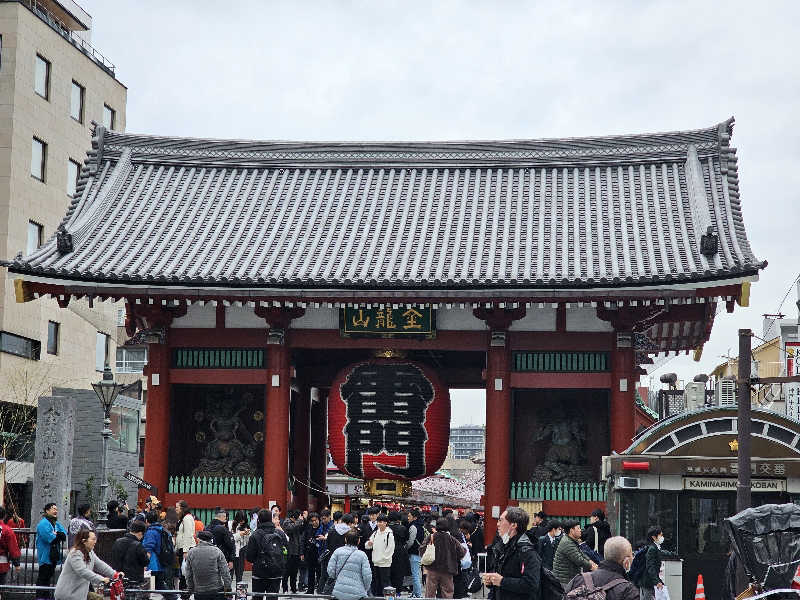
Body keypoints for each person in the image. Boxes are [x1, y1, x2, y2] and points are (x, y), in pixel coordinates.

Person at [480, 508, 540, 600]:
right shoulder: (501, 546)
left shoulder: (527, 551)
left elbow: (531, 584)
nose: (497, 524)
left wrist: (502, 581)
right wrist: (491, 581)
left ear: (513, 525)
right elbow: (499, 576)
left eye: (501, 520)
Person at [565, 536, 638, 600]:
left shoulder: (578, 580)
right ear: (626, 562)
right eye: (631, 555)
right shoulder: (628, 591)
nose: (633, 557)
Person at [54, 529, 118, 600]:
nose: (95, 542)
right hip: (67, 595)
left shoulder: (90, 553)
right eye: (93, 539)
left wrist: (115, 574)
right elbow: (83, 571)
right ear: (84, 541)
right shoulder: (75, 553)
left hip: (79, 594)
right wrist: (101, 579)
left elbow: (100, 565)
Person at [420, 517, 466, 599]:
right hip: (447, 570)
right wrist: (453, 558)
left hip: (432, 569)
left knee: (430, 593)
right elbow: (462, 552)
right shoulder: (451, 539)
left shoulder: (431, 537)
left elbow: (421, 549)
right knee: (447, 593)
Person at [245, 508, 288, 595]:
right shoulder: (279, 533)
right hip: (276, 572)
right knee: (272, 597)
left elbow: (249, 557)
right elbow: (286, 551)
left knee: (257, 597)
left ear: (258, 519)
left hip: (259, 573)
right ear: (271, 518)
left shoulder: (255, 535)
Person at [184, 530, 232, 600]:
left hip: (199, 592)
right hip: (216, 590)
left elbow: (188, 574)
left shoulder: (191, 552)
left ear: (199, 539)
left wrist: (190, 588)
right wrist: (228, 589)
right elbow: (225, 572)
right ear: (210, 540)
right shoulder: (217, 551)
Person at [328, 530, 372, 600]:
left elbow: (330, 570)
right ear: (358, 541)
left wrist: (338, 578)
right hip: (357, 592)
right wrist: (365, 588)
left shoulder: (338, 551)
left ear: (345, 540)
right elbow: (367, 576)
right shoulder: (362, 555)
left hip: (339, 590)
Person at [142, 511, 176, 600]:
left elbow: (148, 548)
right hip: (161, 561)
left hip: (153, 563)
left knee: (155, 584)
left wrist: (145, 564)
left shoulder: (150, 532)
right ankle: (172, 597)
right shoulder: (163, 530)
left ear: (146, 520)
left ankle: (173, 597)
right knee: (159, 584)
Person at [552, 519, 596, 587]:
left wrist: (591, 562)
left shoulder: (571, 540)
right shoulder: (567, 543)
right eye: (578, 528)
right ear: (571, 530)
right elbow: (579, 560)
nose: (580, 530)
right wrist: (593, 568)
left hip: (569, 579)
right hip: (564, 581)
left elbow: (581, 554)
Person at [36, 502, 68, 592]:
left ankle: (45, 596)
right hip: (45, 555)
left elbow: (64, 534)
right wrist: (58, 535)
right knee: (43, 578)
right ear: (47, 510)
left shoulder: (56, 523)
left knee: (49, 577)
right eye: (54, 509)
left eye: (56, 509)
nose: (56, 511)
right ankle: (40, 597)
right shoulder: (43, 524)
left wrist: (57, 534)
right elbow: (51, 538)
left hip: (53, 555)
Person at [637, 527, 676, 600]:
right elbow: (650, 567)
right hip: (647, 583)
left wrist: (672, 554)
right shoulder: (652, 549)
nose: (662, 537)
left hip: (649, 582)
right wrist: (657, 581)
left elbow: (661, 552)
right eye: (660, 535)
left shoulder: (655, 547)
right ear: (654, 537)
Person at [111, 520, 150, 587]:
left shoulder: (117, 541)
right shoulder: (138, 545)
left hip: (119, 578)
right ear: (140, 533)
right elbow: (145, 562)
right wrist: (147, 556)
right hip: (134, 580)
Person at [366, 514, 394, 594]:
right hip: (376, 562)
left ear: (386, 523)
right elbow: (367, 545)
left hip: (385, 563)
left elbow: (390, 549)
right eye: (378, 522)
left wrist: (383, 558)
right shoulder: (375, 533)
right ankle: (377, 596)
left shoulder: (389, 534)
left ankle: (387, 597)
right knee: (377, 582)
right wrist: (369, 544)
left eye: (381, 522)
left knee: (385, 583)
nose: (379, 524)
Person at [281, 509, 306, 593]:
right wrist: (299, 521)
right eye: (299, 516)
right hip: (288, 552)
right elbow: (291, 528)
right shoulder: (286, 522)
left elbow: (302, 530)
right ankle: (285, 588)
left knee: (294, 572)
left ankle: (293, 588)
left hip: (296, 551)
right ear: (294, 516)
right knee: (286, 572)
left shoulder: (297, 522)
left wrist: (304, 520)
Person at [174, 501, 197, 593]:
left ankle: (185, 592)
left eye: (177, 507)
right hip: (182, 548)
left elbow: (188, 534)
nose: (176, 509)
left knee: (185, 572)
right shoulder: (182, 518)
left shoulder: (187, 518)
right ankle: (184, 591)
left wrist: (185, 551)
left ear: (182, 508)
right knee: (183, 572)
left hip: (186, 549)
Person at [387, 511, 410, 593]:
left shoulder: (386, 528)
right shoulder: (402, 528)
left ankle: (389, 592)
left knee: (389, 572)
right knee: (399, 573)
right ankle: (398, 592)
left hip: (388, 552)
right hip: (400, 552)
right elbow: (406, 540)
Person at [407, 508, 426, 598]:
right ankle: (414, 593)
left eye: (409, 516)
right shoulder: (421, 526)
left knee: (415, 575)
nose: (408, 518)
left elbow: (411, 541)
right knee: (416, 574)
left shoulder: (413, 527)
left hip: (414, 553)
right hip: (419, 553)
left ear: (414, 517)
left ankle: (418, 594)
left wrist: (405, 548)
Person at [0, 505, 22, 585]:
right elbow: (13, 549)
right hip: (1, 563)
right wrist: (16, 563)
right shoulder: (7, 530)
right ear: (4, 516)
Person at [303, 512, 321, 595]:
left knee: (319, 573)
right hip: (310, 553)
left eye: (315, 520)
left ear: (318, 519)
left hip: (319, 554)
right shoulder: (309, 528)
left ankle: (320, 589)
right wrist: (302, 553)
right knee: (310, 573)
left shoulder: (321, 528)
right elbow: (304, 540)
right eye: (312, 521)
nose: (314, 522)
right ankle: (310, 590)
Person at [231, 511, 251, 585]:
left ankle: (239, 594)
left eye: (244, 519)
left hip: (241, 552)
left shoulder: (246, 526)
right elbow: (230, 538)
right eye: (240, 519)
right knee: (229, 575)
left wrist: (247, 534)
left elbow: (247, 542)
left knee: (239, 574)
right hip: (232, 551)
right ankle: (228, 594)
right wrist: (239, 534)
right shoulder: (231, 524)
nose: (242, 521)